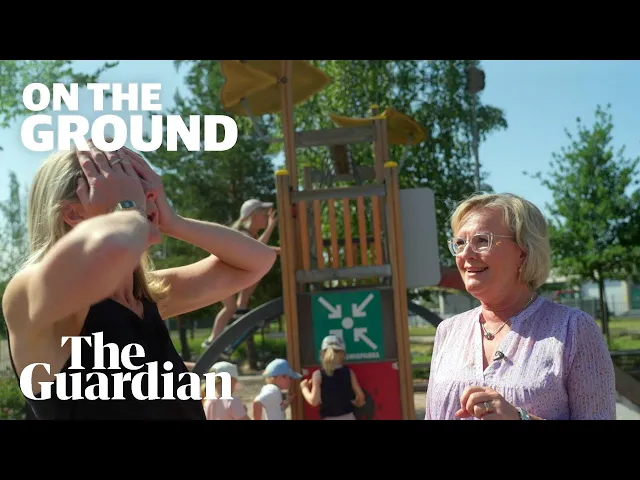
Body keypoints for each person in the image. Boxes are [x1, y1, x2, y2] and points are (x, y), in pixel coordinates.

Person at [2, 143, 277, 420]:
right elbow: (110, 250)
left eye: (145, 184)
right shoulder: (29, 296)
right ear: (74, 214)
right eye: (126, 184)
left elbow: (258, 262)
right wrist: (128, 209)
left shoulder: (146, 298)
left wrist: (174, 222)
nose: (147, 194)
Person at [425, 192, 616, 420]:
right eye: (459, 243)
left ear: (523, 252)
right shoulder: (448, 331)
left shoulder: (572, 329)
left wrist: (520, 418)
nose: (466, 253)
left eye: (482, 241)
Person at [202, 198, 279, 348]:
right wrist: (271, 226)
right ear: (253, 216)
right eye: (263, 214)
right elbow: (257, 248)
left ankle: (212, 340)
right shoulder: (241, 233)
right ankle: (241, 306)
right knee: (255, 269)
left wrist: (281, 250)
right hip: (219, 276)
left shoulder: (248, 235)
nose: (266, 217)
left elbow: (260, 247)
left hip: (222, 276)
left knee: (230, 308)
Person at [300, 335, 365, 420]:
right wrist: (358, 403)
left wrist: (304, 388)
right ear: (343, 354)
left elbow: (314, 401)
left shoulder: (318, 375)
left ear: (321, 354)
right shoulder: (349, 372)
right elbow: (361, 396)